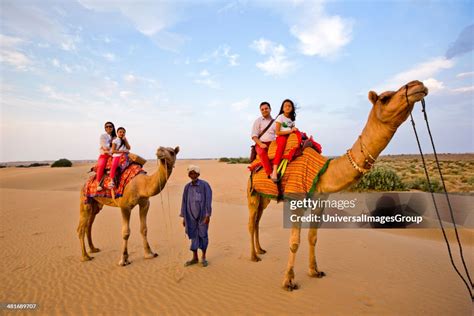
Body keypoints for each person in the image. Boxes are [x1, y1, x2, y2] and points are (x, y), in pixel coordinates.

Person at [180, 165, 212, 267]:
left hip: (202, 216)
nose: (192, 175)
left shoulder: (205, 185)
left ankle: (203, 257)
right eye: (190, 173)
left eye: (194, 173)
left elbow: (208, 200)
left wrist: (208, 215)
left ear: (198, 174)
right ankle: (195, 257)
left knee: (203, 235)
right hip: (190, 216)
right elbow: (184, 202)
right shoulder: (187, 187)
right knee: (193, 235)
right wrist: (184, 217)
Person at [271, 99, 298, 182]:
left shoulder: (291, 119)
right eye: (285, 106)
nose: (287, 107)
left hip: (289, 136)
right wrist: (290, 131)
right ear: (282, 108)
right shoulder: (280, 117)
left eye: (289, 106)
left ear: (292, 108)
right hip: (281, 136)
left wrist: (294, 129)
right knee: (281, 146)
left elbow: (292, 128)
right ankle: (274, 170)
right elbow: (277, 132)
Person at [251, 101, 276, 176]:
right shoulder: (258, 121)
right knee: (262, 153)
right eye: (262, 109)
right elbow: (254, 136)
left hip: (273, 143)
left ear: (270, 109)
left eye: (266, 108)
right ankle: (270, 173)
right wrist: (261, 144)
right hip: (260, 143)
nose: (264, 110)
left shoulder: (275, 122)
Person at [96, 121, 116, 191]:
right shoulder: (103, 136)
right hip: (105, 155)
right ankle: (98, 183)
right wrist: (112, 146)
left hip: (115, 155)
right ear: (105, 128)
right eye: (106, 126)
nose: (108, 128)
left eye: (110, 126)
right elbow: (105, 147)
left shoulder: (116, 137)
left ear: (113, 128)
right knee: (101, 165)